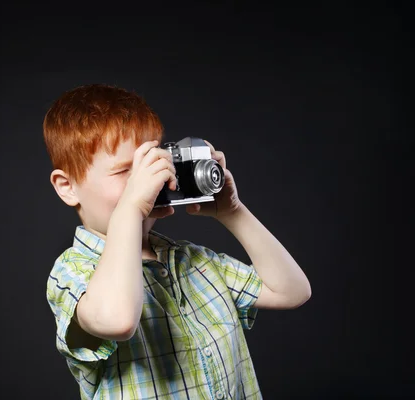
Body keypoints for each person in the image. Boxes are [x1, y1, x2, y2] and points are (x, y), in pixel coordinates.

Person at [43, 84, 311, 399]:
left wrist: (233, 212)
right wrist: (130, 209)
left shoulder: (194, 262)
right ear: (67, 187)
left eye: (152, 165)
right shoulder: (73, 273)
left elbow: (292, 292)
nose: (146, 182)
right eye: (126, 171)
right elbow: (117, 320)